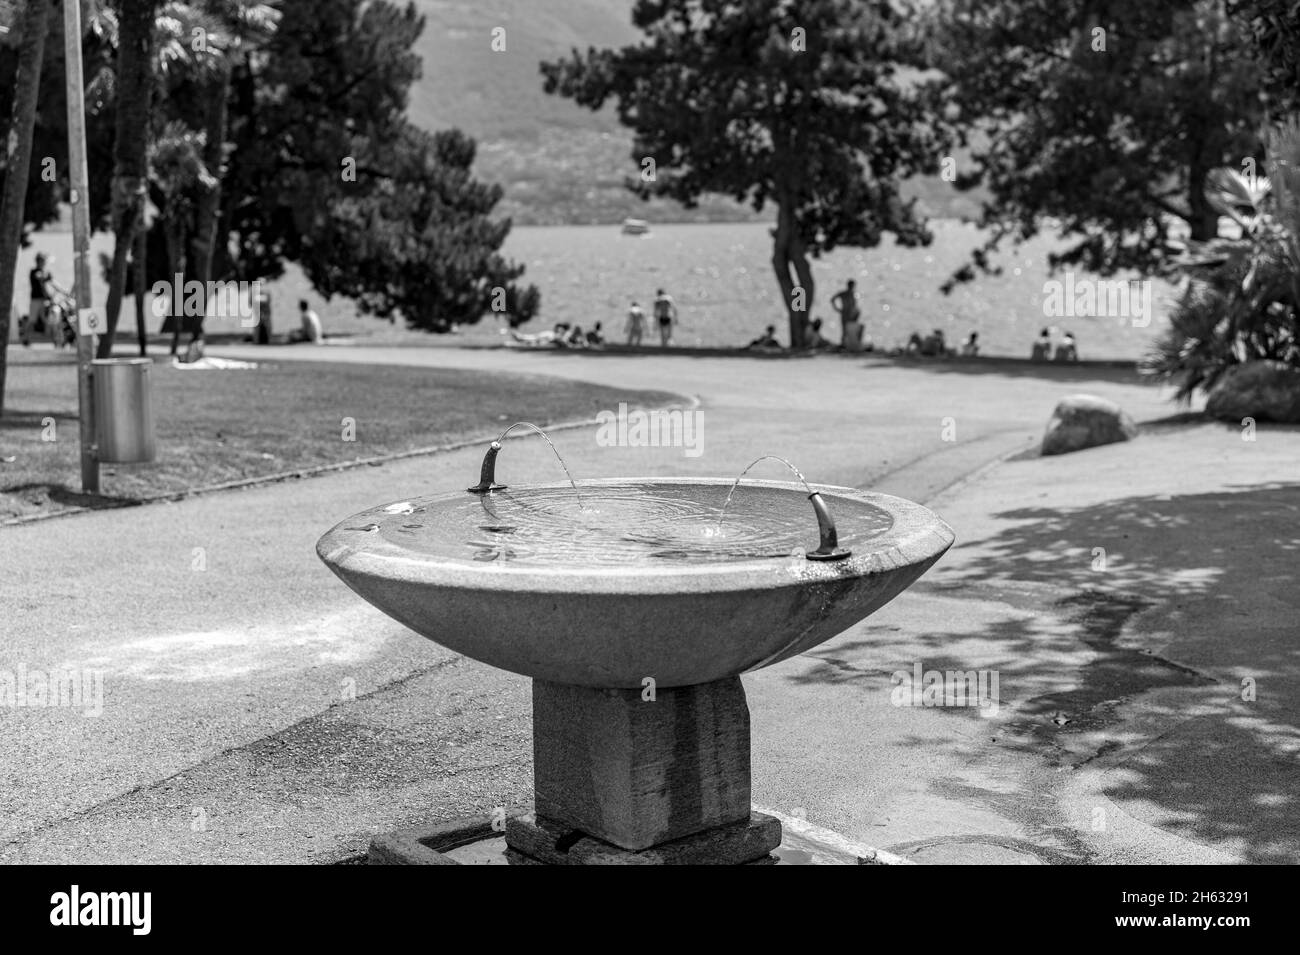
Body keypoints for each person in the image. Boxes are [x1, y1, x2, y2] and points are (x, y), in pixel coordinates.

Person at [22, 253, 57, 346]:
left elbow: (46, 281)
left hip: (43, 300)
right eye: (42, 261)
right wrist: (46, 274)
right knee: (32, 320)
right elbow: (40, 276)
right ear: (38, 261)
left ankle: (56, 339)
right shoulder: (34, 272)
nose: (44, 263)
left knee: (47, 320)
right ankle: (25, 338)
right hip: (35, 300)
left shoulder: (42, 272)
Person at [831, 280, 861, 350]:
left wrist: (856, 314)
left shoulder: (852, 294)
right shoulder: (844, 293)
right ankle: (844, 344)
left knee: (850, 330)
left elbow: (854, 306)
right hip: (845, 314)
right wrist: (837, 309)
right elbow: (832, 299)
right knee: (844, 330)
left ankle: (849, 344)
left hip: (851, 315)